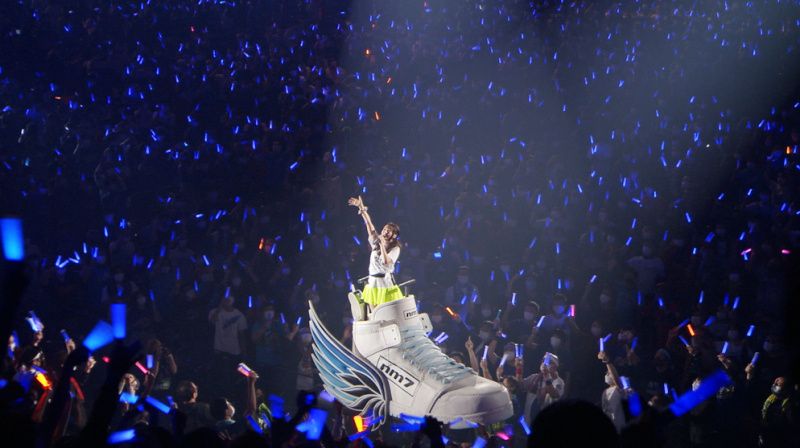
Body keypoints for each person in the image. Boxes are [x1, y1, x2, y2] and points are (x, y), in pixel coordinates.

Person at [348, 195, 402, 308]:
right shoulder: (376, 242)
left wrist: (381, 245)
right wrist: (361, 208)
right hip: (373, 282)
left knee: (385, 310)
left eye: (389, 231)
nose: (385, 231)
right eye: (385, 229)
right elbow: (369, 224)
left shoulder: (395, 248)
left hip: (385, 283)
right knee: (374, 311)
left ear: (394, 235)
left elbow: (386, 262)